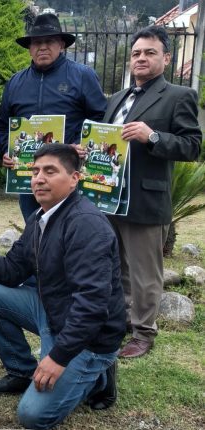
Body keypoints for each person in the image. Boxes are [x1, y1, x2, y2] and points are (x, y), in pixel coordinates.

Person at [0, 145, 125, 429]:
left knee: (33, 416)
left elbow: (93, 305)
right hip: (53, 313)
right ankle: (21, 371)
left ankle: (99, 374)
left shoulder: (86, 225)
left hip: (89, 336)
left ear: (74, 179)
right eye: (35, 171)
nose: (38, 178)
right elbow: (11, 272)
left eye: (50, 171)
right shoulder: (40, 218)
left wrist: (57, 358)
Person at [104, 26, 201, 359]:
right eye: (136, 53)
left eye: (149, 52)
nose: (141, 58)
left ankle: (144, 333)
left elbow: (192, 146)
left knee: (146, 273)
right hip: (108, 196)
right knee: (115, 267)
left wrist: (153, 136)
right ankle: (120, 323)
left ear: (166, 58)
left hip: (145, 198)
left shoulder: (179, 96)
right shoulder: (116, 99)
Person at [0, 13, 106, 220]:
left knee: (73, 233)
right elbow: (3, 126)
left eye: (49, 41)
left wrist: (80, 145)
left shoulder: (82, 75)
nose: (43, 47)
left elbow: (101, 119)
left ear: (61, 45)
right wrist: (5, 151)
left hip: (69, 175)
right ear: (29, 48)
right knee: (35, 231)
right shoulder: (15, 82)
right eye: (37, 42)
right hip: (29, 177)